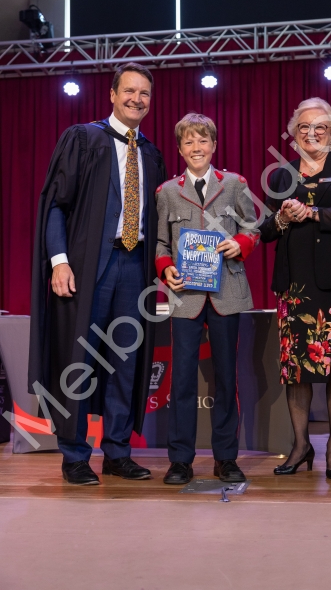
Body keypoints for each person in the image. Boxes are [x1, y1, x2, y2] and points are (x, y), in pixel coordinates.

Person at [28, 62, 167, 485]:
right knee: (80, 359)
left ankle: (118, 452)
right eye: (129, 91)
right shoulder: (83, 139)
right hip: (88, 267)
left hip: (136, 267)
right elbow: (56, 205)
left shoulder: (151, 154)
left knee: (125, 362)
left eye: (144, 93)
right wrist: (59, 260)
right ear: (112, 94)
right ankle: (74, 455)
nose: (136, 99)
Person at [260, 97, 331, 479]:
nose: (311, 133)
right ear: (294, 134)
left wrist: (314, 213)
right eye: (304, 127)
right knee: (297, 370)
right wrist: (283, 217)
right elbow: (266, 231)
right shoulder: (281, 175)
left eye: (319, 127)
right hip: (294, 283)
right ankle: (300, 445)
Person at [155, 113, 260, 484]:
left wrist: (241, 243)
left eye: (203, 140)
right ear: (180, 149)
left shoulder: (234, 184)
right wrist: (165, 268)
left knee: (226, 379)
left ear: (214, 145)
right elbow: (161, 243)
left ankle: (226, 458)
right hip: (185, 295)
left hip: (225, 293)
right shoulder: (168, 191)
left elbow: (252, 226)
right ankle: (180, 460)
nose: (196, 147)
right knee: (182, 380)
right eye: (189, 141)